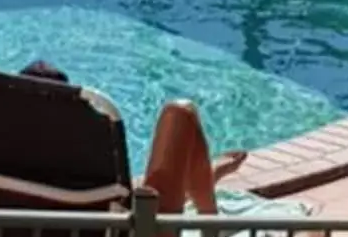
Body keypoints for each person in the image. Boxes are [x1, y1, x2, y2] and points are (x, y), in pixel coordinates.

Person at [21, 61, 243, 211]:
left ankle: (210, 181)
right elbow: (139, 208)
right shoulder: (84, 151)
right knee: (180, 113)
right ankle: (210, 217)